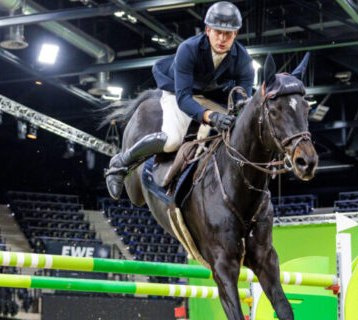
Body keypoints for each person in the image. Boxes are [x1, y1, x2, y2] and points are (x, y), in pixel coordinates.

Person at [105, 1, 253, 199]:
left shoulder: (243, 59)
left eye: (228, 34)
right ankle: (120, 164)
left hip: (211, 98)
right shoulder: (188, 49)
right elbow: (184, 98)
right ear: (208, 30)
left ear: (235, 34)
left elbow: (242, 101)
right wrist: (211, 117)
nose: (222, 39)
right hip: (177, 92)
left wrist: (236, 117)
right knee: (172, 139)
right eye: (217, 32)